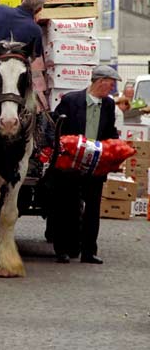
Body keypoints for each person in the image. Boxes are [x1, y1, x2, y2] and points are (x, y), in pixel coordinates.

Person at [49, 65, 121, 264]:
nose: (112, 87)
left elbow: (110, 132)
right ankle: (63, 249)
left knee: (92, 208)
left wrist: (116, 149)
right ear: (99, 81)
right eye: (110, 83)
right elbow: (57, 128)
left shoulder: (108, 105)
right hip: (71, 164)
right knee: (67, 206)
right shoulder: (71, 101)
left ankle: (89, 251)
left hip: (95, 166)